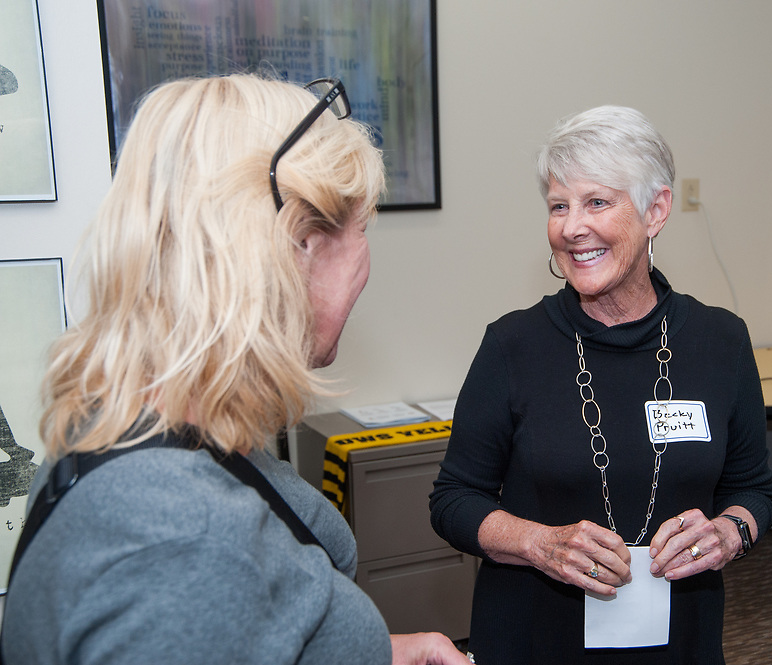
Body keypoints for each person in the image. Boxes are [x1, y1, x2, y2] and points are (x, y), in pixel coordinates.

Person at [1, 74, 467, 665]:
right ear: (298, 241)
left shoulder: (132, 427)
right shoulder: (180, 542)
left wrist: (381, 652)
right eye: (363, 226)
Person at [429, 105, 772, 664]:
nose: (572, 227)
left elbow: (753, 490)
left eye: (597, 202)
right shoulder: (513, 345)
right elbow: (453, 501)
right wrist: (537, 543)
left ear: (655, 210)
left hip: (680, 641)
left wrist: (731, 532)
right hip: (535, 639)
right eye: (558, 206)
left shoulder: (721, 341)